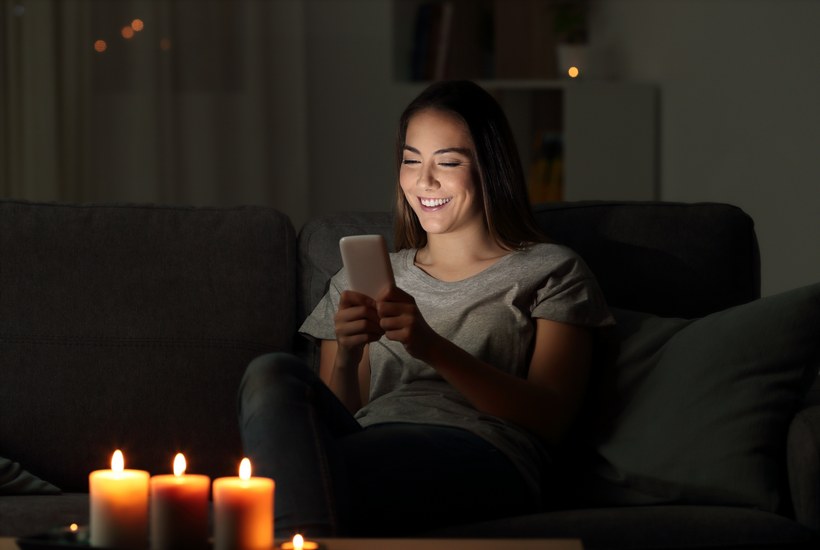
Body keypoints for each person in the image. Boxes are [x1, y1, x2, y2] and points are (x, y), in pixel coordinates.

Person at [238, 80, 613, 538]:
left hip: (483, 450)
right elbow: (342, 413)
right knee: (270, 373)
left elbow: (551, 418)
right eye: (411, 160)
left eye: (448, 162)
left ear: (490, 169)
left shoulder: (551, 270)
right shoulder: (362, 277)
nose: (424, 181)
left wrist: (430, 345)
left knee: (315, 472)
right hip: (368, 439)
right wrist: (351, 356)